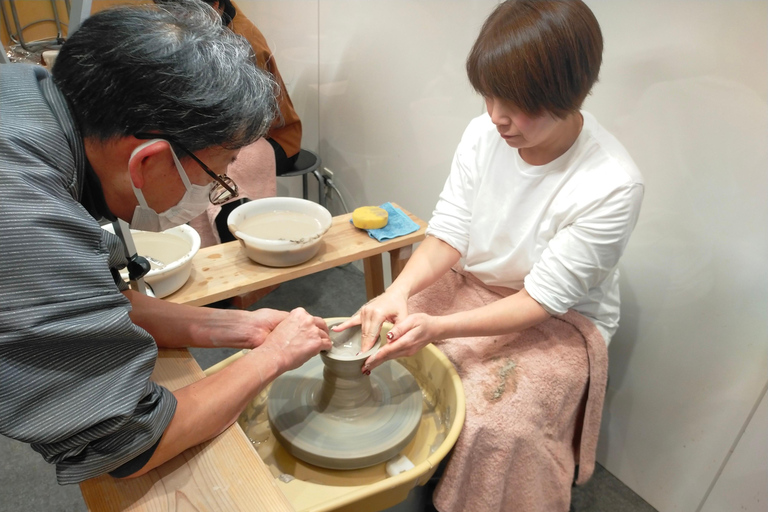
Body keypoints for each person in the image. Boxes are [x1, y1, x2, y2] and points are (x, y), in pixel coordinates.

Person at [0, 2, 330, 485]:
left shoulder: (29, 90)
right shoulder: (27, 216)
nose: (218, 191)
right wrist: (274, 357)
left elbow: (98, 302)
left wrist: (242, 326)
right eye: (220, 173)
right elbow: (124, 443)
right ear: (148, 162)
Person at [334, 1, 644, 511]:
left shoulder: (612, 184)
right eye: (489, 94)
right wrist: (397, 292)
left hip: (559, 318)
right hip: (470, 279)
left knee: (494, 422)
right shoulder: (484, 133)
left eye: (518, 103)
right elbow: (448, 233)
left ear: (571, 93)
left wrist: (438, 327)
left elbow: (540, 300)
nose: (497, 116)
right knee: (385, 347)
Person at [168, 0, 304, 247]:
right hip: (225, 128)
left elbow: (250, 118)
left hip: (269, 136)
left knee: (212, 173)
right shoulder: (203, 28)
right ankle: (199, 248)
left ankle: (235, 253)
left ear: (215, 5)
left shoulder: (243, 40)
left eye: (182, 11)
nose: (177, 18)